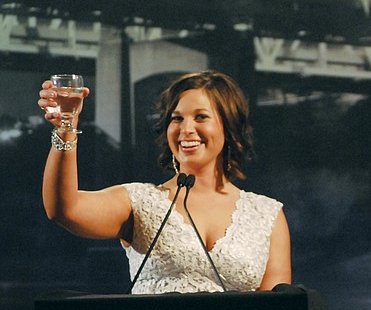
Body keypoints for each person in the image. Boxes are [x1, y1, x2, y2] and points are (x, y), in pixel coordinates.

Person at [39, 70, 291, 294]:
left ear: (229, 127)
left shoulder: (266, 214)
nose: (186, 128)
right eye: (177, 118)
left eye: (201, 117)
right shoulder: (140, 202)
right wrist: (66, 125)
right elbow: (64, 209)